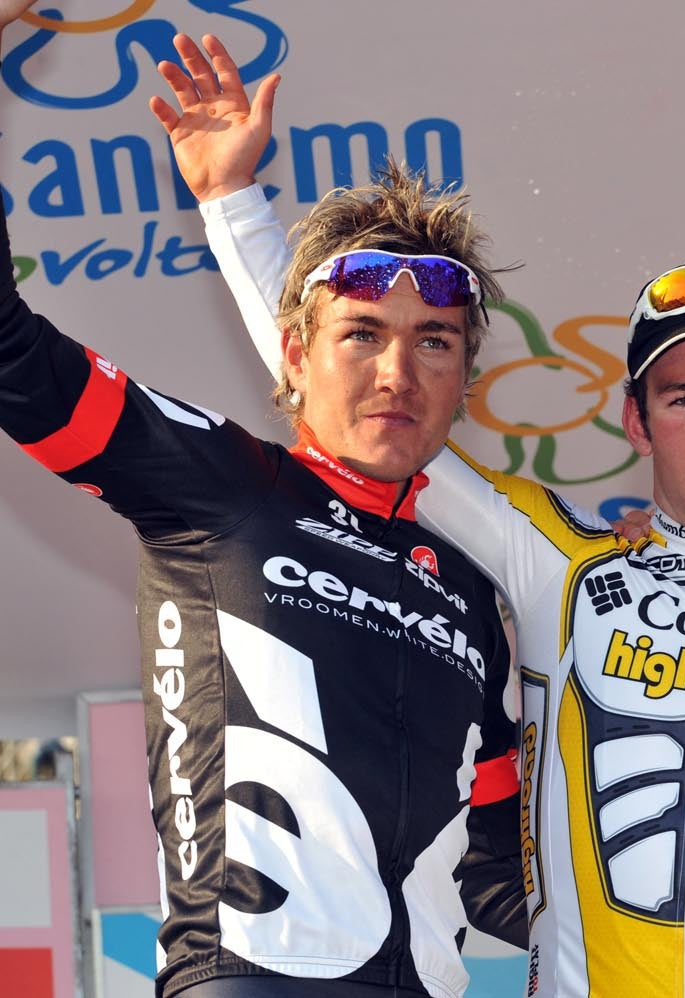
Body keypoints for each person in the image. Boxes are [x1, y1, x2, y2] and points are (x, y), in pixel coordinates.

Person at [152, 34, 685, 998]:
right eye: (679, 398)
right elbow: (349, 398)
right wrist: (230, 202)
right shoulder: (562, 564)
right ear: (636, 419)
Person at [0, 5, 523, 998]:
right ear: (295, 355)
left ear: (466, 379)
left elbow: (500, 873)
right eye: (361, 333)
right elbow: (12, 357)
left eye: (434, 342)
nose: (396, 371)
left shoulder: (469, 591)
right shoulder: (220, 483)